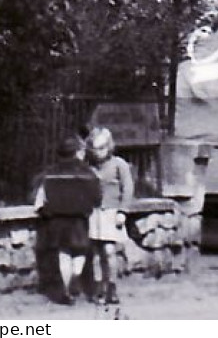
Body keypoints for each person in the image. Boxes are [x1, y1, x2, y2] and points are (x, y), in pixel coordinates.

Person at [33, 137, 100, 306]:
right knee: (80, 251)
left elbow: (40, 199)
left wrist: (47, 212)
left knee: (64, 253)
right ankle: (76, 276)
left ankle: (66, 289)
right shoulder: (87, 173)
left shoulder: (49, 173)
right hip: (79, 219)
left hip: (57, 220)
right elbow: (97, 197)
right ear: (77, 152)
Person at [85, 127, 134, 305]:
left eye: (102, 148)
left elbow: (128, 189)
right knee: (96, 253)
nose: (98, 153)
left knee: (109, 251)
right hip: (94, 213)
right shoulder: (88, 166)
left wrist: (123, 211)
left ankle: (112, 287)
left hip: (112, 213)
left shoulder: (119, 164)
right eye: (95, 148)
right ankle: (99, 288)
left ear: (109, 146)